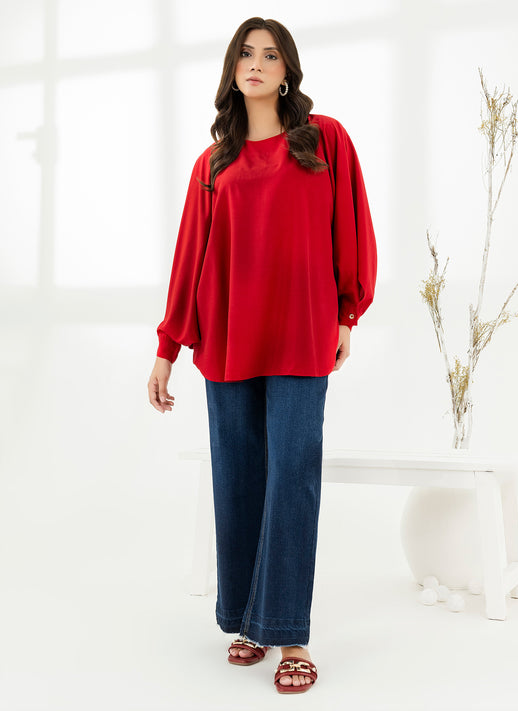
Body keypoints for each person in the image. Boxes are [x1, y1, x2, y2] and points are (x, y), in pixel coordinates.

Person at [147, 16, 377, 695]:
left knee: (293, 473)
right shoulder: (213, 164)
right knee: (239, 475)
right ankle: (249, 618)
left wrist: (346, 313)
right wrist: (167, 348)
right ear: (232, 69)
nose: (256, 63)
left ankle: (290, 632)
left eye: (270, 55)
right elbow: (189, 258)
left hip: (302, 332)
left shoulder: (324, 140)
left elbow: (352, 227)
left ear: (286, 72)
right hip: (227, 339)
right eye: (245, 54)